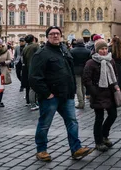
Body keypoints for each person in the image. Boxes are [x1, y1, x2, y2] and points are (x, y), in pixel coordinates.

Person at [29, 26, 93, 162]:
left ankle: (76, 149)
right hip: (50, 97)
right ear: (47, 37)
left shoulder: (64, 50)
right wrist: (47, 94)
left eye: (57, 33)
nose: (55, 36)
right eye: (52, 34)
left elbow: (69, 71)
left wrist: (72, 89)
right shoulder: (41, 54)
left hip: (66, 95)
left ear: (61, 36)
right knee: (44, 124)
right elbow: (34, 77)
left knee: (72, 122)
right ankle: (41, 150)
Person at [82, 39, 120, 152]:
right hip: (98, 94)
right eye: (101, 49)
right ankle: (98, 141)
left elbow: (115, 75)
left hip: (110, 93)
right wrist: (94, 92)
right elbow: (86, 79)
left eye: (105, 48)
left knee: (113, 115)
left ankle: (104, 135)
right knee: (99, 118)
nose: (104, 51)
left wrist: (116, 86)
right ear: (97, 50)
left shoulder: (111, 60)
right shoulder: (91, 63)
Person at [71, 38, 90, 109]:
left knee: (78, 86)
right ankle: (83, 101)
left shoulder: (72, 51)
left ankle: (81, 102)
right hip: (85, 69)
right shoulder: (88, 51)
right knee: (83, 86)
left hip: (76, 70)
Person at [22, 34, 40, 110]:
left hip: (28, 69)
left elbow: (24, 60)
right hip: (36, 68)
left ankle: (31, 102)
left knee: (31, 87)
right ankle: (34, 103)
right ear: (33, 39)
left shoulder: (25, 48)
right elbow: (40, 56)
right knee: (34, 87)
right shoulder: (36, 46)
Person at [0, 39, 12, 108]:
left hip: (3, 70)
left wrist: (4, 63)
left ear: (2, 44)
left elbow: (10, 60)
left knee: (1, 87)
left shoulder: (6, 51)